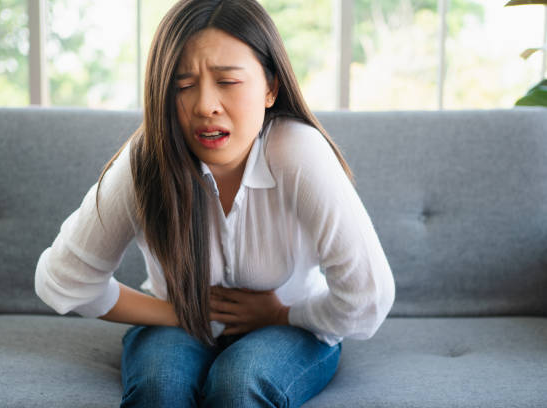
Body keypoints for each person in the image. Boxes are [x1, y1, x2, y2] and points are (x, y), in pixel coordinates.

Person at [34, 0, 396, 406]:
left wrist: (281, 315)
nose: (205, 106)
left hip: (291, 328)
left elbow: (368, 299)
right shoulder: (147, 159)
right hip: (178, 325)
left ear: (270, 88)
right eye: (184, 86)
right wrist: (178, 314)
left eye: (227, 81)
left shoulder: (300, 153)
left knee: (238, 383)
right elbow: (62, 279)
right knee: (160, 386)